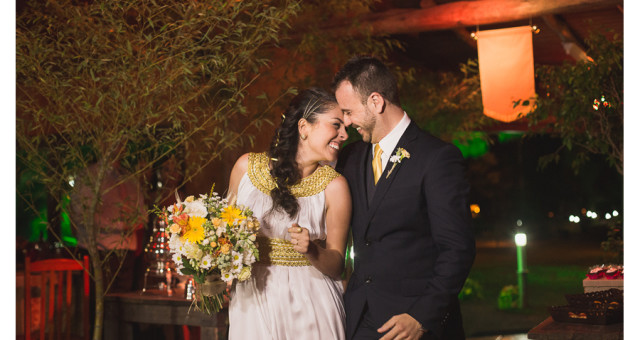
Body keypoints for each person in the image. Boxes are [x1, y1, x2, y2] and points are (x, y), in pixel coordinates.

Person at [333, 56, 476, 340]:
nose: (346, 123)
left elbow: (457, 249)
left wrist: (422, 316)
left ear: (376, 101)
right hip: (360, 317)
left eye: (348, 112)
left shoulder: (436, 158)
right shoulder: (349, 157)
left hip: (413, 323)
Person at [226, 88, 352, 339]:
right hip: (252, 300)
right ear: (304, 126)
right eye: (336, 125)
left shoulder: (335, 187)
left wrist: (313, 250)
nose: (345, 135)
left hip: (312, 304)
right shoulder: (245, 168)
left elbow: (338, 265)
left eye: (346, 127)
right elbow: (222, 234)